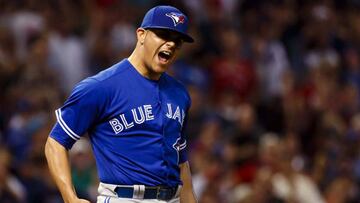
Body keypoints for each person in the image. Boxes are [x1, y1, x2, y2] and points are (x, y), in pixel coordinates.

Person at [44, 5, 197, 203]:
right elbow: (55, 143)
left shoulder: (179, 94)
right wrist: (70, 197)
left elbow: (181, 163)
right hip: (124, 197)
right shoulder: (101, 86)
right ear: (141, 34)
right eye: (163, 35)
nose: (171, 44)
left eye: (178, 41)